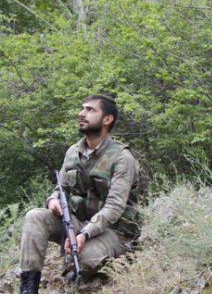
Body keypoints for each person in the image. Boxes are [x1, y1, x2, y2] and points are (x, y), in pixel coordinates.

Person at [19, 94, 142, 293]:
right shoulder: (72, 152)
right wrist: (53, 200)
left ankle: (117, 259)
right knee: (35, 216)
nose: (81, 113)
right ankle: (28, 287)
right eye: (82, 108)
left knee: (82, 261)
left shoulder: (122, 157)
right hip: (78, 224)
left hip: (113, 231)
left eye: (90, 110)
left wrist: (84, 234)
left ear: (107, 119)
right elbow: (61, 189)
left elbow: (114, 208)